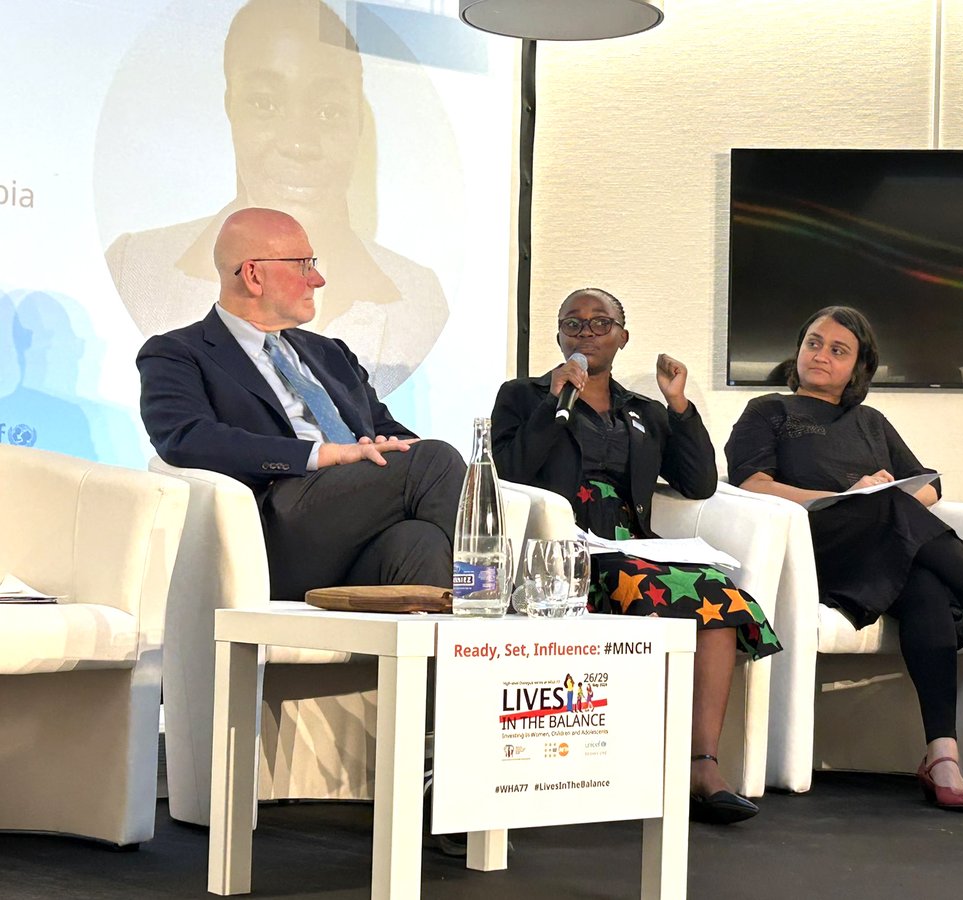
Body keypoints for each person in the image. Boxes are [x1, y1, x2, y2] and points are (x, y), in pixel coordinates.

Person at [725, 305, 963, 812]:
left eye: (837, 350)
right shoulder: (769, 411)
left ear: (858, 367)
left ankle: (943, 754)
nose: (820, 355)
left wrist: (887, 500)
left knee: (927, 589)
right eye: (813, 343)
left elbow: (931, 485)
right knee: (887, 503)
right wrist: (848, 496)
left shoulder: (870, 421)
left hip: (882, 550)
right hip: (815, 552)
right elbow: (752, 485)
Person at [491, 287, 781, 825]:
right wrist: (556, 406)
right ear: (558, 336)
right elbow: (509, 474)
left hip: (630, 546)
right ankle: (630, 763)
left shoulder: (642, 410)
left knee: (719, 599)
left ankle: (702, 766)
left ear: (623, 337)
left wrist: (679, 405)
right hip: (565, 554)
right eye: (573, 325)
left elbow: (697, 483)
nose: (586, 333)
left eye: (601, 323)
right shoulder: (522, 396)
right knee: (674, 593)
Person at [109, 0, 448, 395]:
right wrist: (314, 458)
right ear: (229, 107)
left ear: (358, 120)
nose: (299, 143)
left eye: (328, 111)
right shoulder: (134, 268)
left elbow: (382, 429)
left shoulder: (421, 300)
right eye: (264, 103)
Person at [137, 207, 465, 599]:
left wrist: (379, 450)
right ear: (254, 275)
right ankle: (502, 607)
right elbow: (187, 438)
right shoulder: (178, 353)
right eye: (303, 265)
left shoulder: (330, 354)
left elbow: (388, 432)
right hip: (277, 526)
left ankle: (447, 658)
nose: (318, 279)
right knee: (434, 460)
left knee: (419, 542)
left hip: (354, 524)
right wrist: (323, 455)